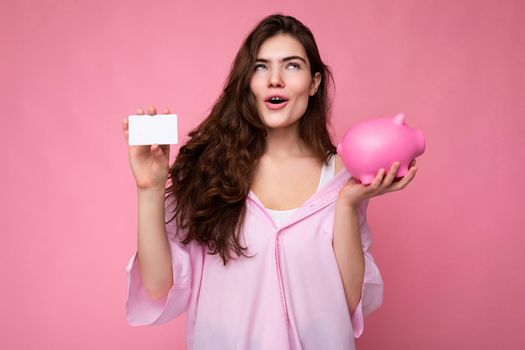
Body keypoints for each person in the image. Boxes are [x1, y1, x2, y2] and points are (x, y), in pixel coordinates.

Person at [121, 13, 417, 350]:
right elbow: (159, 285)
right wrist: (150, 189)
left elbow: (347, 304)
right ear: (248, 83)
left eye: (291, 66)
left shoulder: (342, 176)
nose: (275, 79)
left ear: (314, 83)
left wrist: (348, 204)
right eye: (261, 67)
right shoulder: (212, 172)